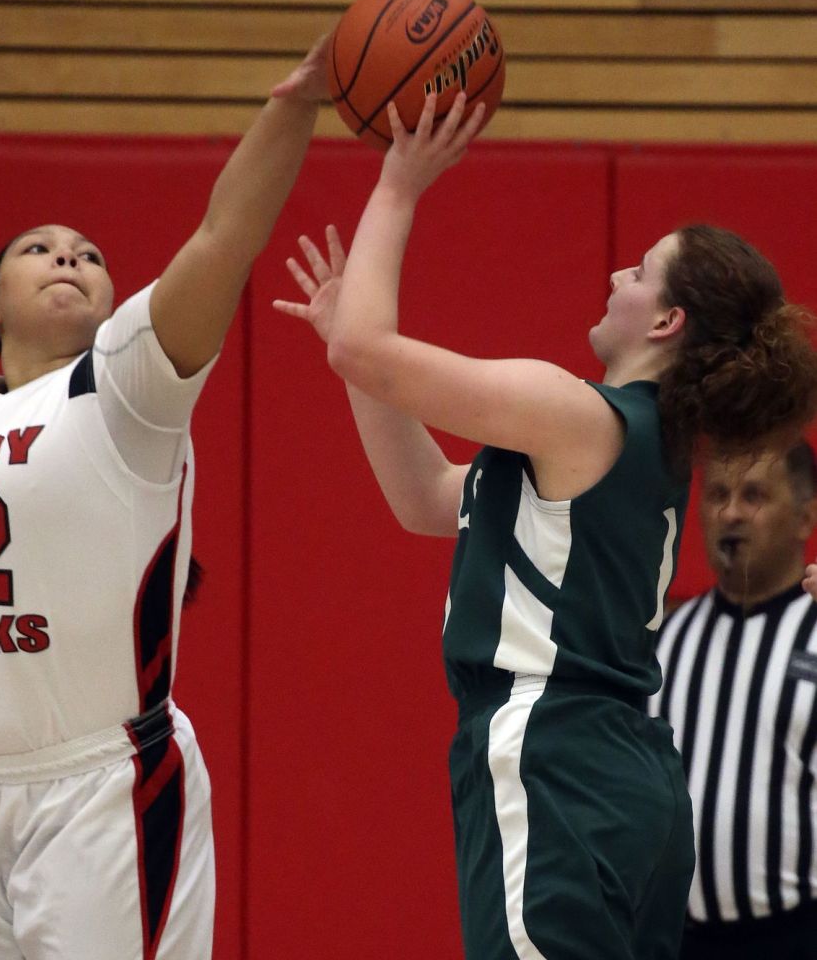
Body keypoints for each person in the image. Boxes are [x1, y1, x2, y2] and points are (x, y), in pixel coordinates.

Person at [274, 92, 817, 960]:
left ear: (669, 321)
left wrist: (399, 185)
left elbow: (367, 349)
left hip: (552, 755)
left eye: (639, 275)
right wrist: (354, 355)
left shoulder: (580, 416)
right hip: (629, 771)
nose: (615, 279)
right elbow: (423, 498)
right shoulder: (644, 446)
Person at [0, 36, 329, 960]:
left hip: (97, 792)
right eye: (38, 250)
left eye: (90, 255)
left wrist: (294, 105)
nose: (69, 258)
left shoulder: (124, 386)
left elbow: (223, 238)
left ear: (113, 299)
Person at [650, 442, 817, 959]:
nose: (731, 512)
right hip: (679, 939)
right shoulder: (665, 638)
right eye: (718, 494)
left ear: (805, 517)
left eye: (755, 495)